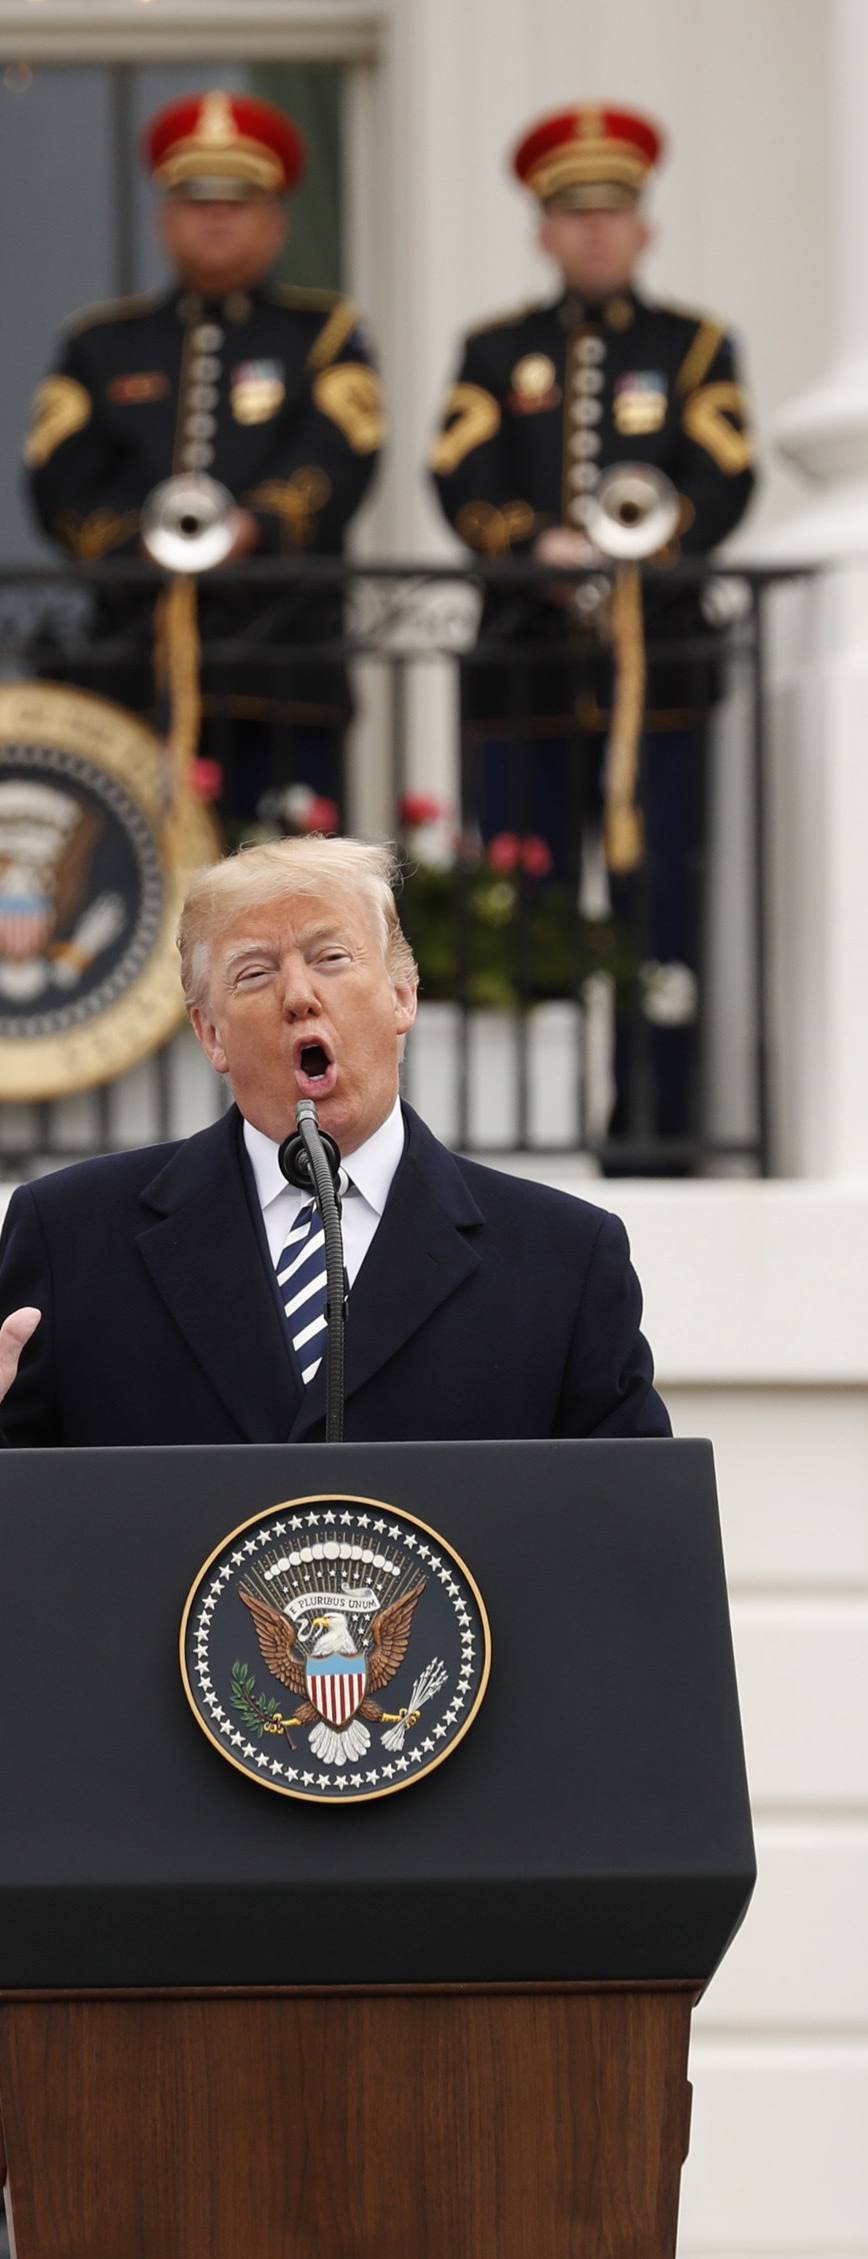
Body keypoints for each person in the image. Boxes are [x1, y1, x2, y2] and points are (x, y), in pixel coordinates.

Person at [0, 836, 667, 1446]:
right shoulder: (70, 1237)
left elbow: (634, 1535)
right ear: (211, 1036)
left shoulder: (564, 1260)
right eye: (254, 973)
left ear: (403, 995)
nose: (298, 995)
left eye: (332, 958)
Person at [429, 104, 756, 1171]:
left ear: (644, 227)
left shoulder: (695, 349)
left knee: (661, 904)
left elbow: (726, 471)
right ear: (544, 230)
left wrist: (646, 547)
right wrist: (534, 544)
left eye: (613, 213)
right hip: (522, 677)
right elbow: (459, 474)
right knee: (523, 908)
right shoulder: (494, 352)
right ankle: (532, 1145)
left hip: (655, 681)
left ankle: (658, 1133)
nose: (596, 233)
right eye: (574, 215)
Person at [21, 90, 383, 835]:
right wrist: (138, 542)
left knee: (288, 891)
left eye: (240, 200)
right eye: (196, 200)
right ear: (165, 220)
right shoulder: (101, 345)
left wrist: (253, 529)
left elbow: (339, 461)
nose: (216, 216)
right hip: (135, 669)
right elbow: (60, 483)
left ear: (276, 221)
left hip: (283, 672)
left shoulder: (324, 336)